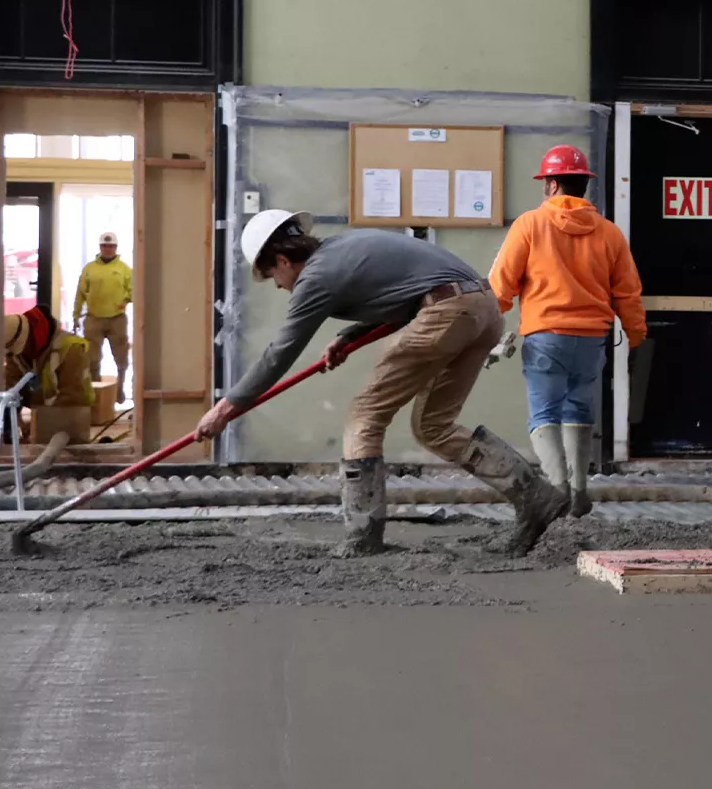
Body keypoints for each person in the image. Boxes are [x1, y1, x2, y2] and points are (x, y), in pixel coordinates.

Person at [196, 209, 568, 557]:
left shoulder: (316, 276)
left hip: (447, 312)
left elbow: (279, 353)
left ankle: (363, 537)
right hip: (482, 307)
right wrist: (348, 337)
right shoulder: (342, 249)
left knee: (365, 416)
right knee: (433, 426)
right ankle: (536, 497)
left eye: (272, 276)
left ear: (281, 260)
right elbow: (403, 297)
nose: (278, 286)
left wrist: (226, 408)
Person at [487, 144, 646, 518]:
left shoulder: (529, 225)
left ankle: (556, 491)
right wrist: (635, 335)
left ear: (552, 185)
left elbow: (501, 286)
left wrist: (488, 330)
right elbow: (628, 291)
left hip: (546, 337)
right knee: (578, 407)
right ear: (583, 186)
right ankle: (579, 492)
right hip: (592, 339)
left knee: (544, 412)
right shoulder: (609, 233)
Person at [74, 231, 133, 400]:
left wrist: (126, 300)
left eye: (111, 246)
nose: (108, 249)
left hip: (117, 319)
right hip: (93, 319)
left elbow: (134, 290)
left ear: (116, 248)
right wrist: (76, 315)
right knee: (92, 359)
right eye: (105, 246)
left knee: (121, 359)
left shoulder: (125, 269)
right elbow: (80, 293)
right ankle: (94, 395)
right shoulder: (89, 269)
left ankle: (119, 392)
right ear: (100, 247)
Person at [3, 306, 94, 408]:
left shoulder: (71, 350)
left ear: (28, 340)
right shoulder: (18, 354)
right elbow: (10, 385)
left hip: (71, 414)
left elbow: (73, 397)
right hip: (44, 411)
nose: (11, 356)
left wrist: (40, 418)